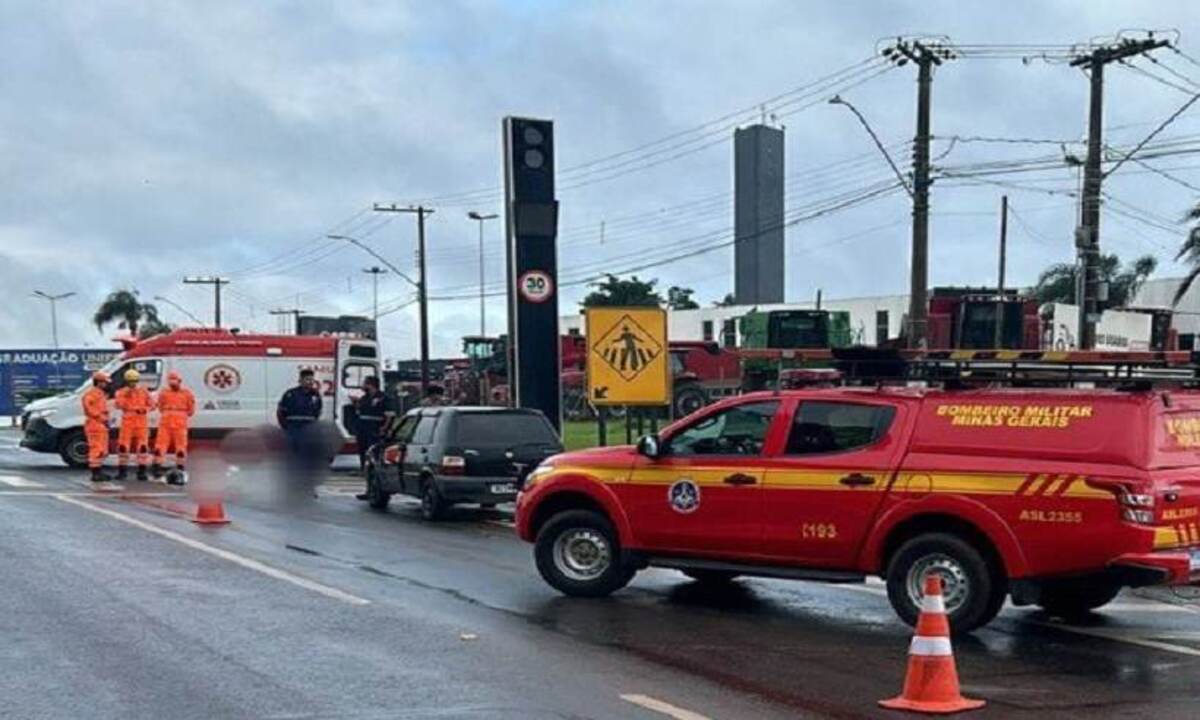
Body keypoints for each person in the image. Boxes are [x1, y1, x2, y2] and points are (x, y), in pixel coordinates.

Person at [352, 376, 391, 500]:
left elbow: (389, 416)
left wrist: (384, 428)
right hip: (363, 431)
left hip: (374, 431)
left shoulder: (384, 397)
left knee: (374, 460)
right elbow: (360, 412)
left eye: (364, 384)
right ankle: (369, 489)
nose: (362, 386)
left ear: (371, 385)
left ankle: (376, 489)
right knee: (365, 461)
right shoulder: (364, 398)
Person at [153, 370, 195, 483]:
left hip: (178, 423)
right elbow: (160, 406)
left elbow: (191, 410)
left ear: (179, 381)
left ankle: (180, 468)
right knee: (160, 447)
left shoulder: (187, 394)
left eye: (174, 380)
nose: (172, 383)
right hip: (168, 423)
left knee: (180, 448)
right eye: (170, 380)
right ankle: (157, 467)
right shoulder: (164, 393)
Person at [114, 368, 153, 481]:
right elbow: (118, 405)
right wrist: (126, 395)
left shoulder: (144, 391)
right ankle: (122, 472)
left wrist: (144, 409)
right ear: (126, 381)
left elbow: (152, 404)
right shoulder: (121, 392)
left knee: (142, 447)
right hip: (128, 421)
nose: (133, 383)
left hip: (141, 420)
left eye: (135, 381)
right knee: (123, 447)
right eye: (131, 381)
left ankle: (142, 472)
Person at [81, 371, 112, 483]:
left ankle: (99, 471)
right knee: (96, 449)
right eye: (105, 382)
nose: (107, 385)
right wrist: (100, 417)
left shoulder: (100, 394)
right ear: (98, 382)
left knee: (102, 450)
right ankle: (95, 473)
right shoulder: (91, 394)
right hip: (94, 424)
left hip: (101, 424)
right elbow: (89, 408)